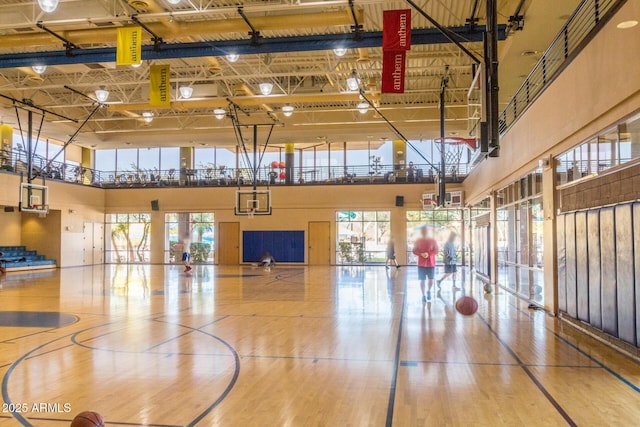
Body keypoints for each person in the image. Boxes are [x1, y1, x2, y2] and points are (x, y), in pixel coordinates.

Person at [412, 226, 439, 302]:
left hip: (431, 263)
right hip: (421, 264)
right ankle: (423, 295)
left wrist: (428, 253)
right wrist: (421, 254)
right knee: (422, 280)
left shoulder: (433, 240)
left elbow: (436, 251)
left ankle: (429, 290)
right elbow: (414, 251)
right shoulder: (418, 240)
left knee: (431, 279)